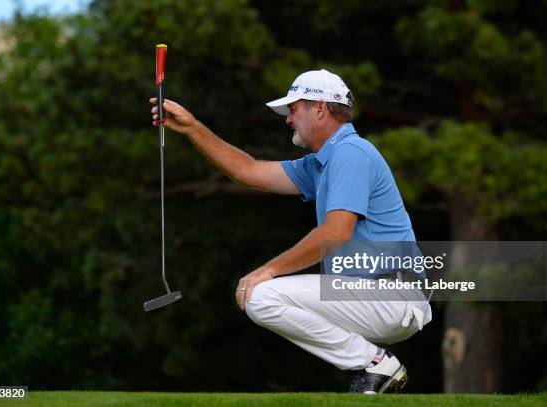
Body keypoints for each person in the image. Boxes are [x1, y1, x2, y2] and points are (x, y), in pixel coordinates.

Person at [149, 69, 432, 394]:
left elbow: (336, 232)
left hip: (393, 295)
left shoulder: (351, 153)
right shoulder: (321, 163)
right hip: (375, 294)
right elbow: (249, 171)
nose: (287, 119)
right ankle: (374, 367)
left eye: (293, 109)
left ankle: (375, 363)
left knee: (261, 295)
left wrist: (268, 270)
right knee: (261, 296)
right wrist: (193, 128)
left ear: (321, 109)